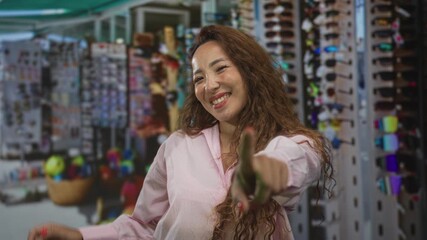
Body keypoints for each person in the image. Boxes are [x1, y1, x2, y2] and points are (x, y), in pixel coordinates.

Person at [28, 24, 334, 240]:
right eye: (199, 77)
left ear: (250, 72)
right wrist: (81, 236)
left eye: (221, 68)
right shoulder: (177, 147)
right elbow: (146, 227)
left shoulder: (292, 143)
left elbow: (298, 158)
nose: (209, 84)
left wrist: (270, 169)